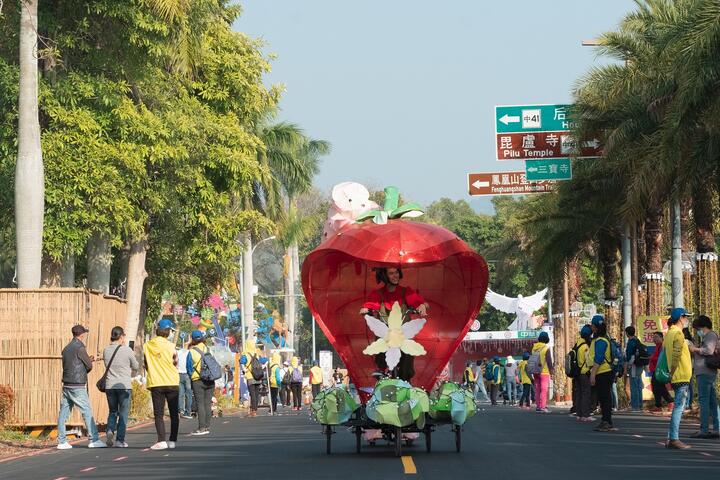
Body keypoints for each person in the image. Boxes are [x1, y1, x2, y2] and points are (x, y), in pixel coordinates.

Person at [359, 267, 429, 380]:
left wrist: (422, 306)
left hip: (403, 335)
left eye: (396, 272)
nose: (395, 275)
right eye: (391, 273)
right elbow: (369, 306)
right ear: (384, 276)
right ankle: (382, 371)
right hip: (386, 335)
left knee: (408, 356)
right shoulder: (378, 294)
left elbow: (422, 303)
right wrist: (365, 310)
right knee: (381, 343)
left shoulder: (406, 292)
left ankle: (406, 381)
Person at [56, 325, 107, 450]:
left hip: (67, 384)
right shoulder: (80, 347)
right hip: (77, 385)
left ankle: (62, 441)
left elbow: (70, 364)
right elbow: (89, 366)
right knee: (87, 411)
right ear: (81, 335)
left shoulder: (66, 348)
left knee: (63, 413)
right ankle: (94, 439)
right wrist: (89, 361)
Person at [144, 319, 180, 450]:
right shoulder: (171, 346)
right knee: (173, 412)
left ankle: (161, 440)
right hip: (172, 381)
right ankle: (173, 440)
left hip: (156, 382)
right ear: (169, 331)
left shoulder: (147, 346)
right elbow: (176, 363)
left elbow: (146, 364)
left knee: (158, 413)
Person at [102, 326, 138, 448]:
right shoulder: (127, 350)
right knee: (123, 413)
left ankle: (110, 430)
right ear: (121, 336)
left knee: (112, 411)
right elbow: (136, 366)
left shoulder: (106, 350)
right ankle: (120, 440)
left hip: (110, 385)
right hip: (124, 385)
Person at [664, 308, 693, 449]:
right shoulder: (678, 334)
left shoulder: (669, 333)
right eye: (686, 317)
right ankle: (674, 438)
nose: (687, 319)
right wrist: (672, 371)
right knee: (678, 407)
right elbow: (676, 356)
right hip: (680, 375)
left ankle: (670, 437)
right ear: (680, 318)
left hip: (675, 375)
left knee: (677, 406)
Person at [688, 315, 720, 439]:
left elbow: (708, 351)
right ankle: (717, 428)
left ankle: (704, 429)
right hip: (707, 372)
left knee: (704, 401)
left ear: (703, 327)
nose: (697, 331)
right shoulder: (708, 336)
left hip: (705, 372)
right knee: (712, 402)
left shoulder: (711, 335)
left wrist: (694, 349)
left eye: (697, 329)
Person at [589, 315, 616, 432]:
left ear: (595, 327)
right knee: (604, 397)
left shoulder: (600, 341)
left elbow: (598, 358)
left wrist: (593, 374)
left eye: (592, 325)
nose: (591, 327)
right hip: (603, 372)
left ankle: (606, 421)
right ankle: (606, 421)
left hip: (603, 372)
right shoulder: (600, 339)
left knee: (605, 398)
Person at [187, 330, 213, 435]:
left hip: (198, 380)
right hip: (210, 379)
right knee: (207, 403)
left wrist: (192, 376)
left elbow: (188, 368)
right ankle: (207, 426)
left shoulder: (192, 352)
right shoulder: (208, 349)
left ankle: (201, 428)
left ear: (193, 339)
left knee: (200, 404)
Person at [240, 340, 267, 417]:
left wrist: (244, 369)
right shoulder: (257, 354)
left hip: (250, 376)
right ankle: (255, 410)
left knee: (252, 394)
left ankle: (253, 410)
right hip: (258, 376)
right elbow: (265, 360)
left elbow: (242, 362)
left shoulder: (245, 354)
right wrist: (263, 366)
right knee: (256, 393)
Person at [648, 331, 674, 414]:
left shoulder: (662, 346)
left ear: (661, 338)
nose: (654, 339)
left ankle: (670, 402)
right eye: (653, 337)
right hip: (656, 370)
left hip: (660, 370)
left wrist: (652, 358)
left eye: (656, 337)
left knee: (659, 387)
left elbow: (662, 358)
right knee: (655, 387)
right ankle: (658, 405)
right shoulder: (657, 346)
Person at [531, 331, 553, 413]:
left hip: (535, 371)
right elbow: (549, 361)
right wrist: (552, 372)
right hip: (544, 371)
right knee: (544, 390)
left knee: (537, 389)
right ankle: (543, 407)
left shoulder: (534, 348)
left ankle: (538, 406)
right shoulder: (546, 348)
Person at [575, 325, 594, 422]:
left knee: (579, 393)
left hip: (577, 373)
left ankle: (579, 414)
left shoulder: (577, 344)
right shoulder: (585, 346)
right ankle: (585, 415)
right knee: (586, 394)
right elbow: (589, 361)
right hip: (584, 373)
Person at [624, 326, 644, 412]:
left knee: (634, 386)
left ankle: (635, 406)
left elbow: (630, 356)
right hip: (640, 364)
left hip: (633, 365)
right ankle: (640, 405)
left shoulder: (631, 342)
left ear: (627, 333)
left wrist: (627, 366)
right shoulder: (637, 340)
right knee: (639, 385)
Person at [177, 342, 193, 419]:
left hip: (179, 374)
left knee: (180, 394)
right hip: (187, 375)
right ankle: (188, 412)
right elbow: (190, 364)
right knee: (189, 394)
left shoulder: (178, 352)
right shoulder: (190, 353)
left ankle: (180, 411)